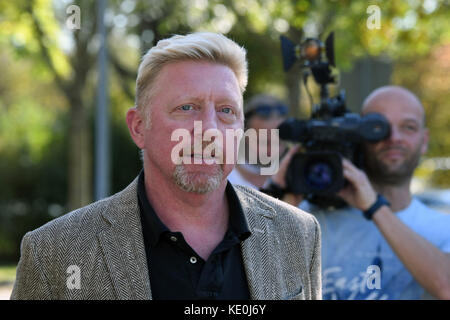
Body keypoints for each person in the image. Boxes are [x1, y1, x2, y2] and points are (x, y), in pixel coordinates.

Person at [11, 32, 321, 300]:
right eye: (187, 108)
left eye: (226, 111)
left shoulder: (298, 234)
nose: (209, 130)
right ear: (138, 127)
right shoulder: (54, 253)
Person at [272, 85, 450, 299]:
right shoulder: (308, 222)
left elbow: (446, 287)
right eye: (378, 127)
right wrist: (278, 201)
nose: (393, 137)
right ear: (359, 138)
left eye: (408, 127)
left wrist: (374, 207)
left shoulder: (443, 230)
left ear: (424, 140)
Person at [227, 94, 288, 189]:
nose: (272, 151)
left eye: (278, 142)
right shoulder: (224, 179)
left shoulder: (299, 178)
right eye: (264, 142)